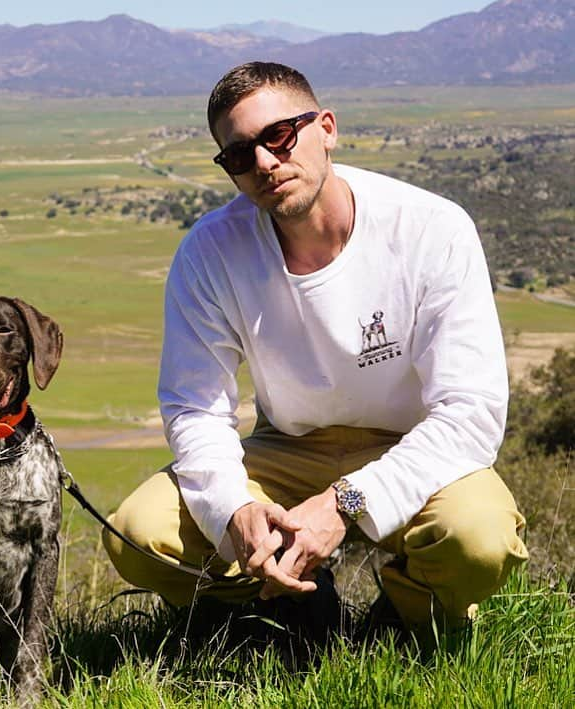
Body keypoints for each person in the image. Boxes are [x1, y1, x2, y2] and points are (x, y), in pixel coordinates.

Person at [103, 61, 528, 641]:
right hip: (290, 448)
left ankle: (406, 617)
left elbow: (469, 412)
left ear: (326, 127)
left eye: (279, 135)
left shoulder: (431, 228)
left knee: (480, 538)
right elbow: (196, 408)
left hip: (412, 442)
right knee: (137, 531)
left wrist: (345, 501)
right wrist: (235, 510)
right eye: (238, 154)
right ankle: (288, 607)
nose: (264, 163)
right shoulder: (210, 252)